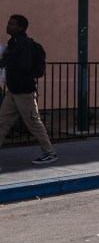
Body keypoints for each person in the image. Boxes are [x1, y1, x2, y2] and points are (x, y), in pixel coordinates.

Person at [0, 15, 57, 167]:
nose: (8, 26)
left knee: (33, 123)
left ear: (21, 27)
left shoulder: (24, 44)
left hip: (24, 92)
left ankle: (50, 153)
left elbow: (24, 65)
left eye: (12, 24)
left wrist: (7, 59)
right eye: (8, 23)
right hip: (13, 91)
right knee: (2, 123)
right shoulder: (13, 42)